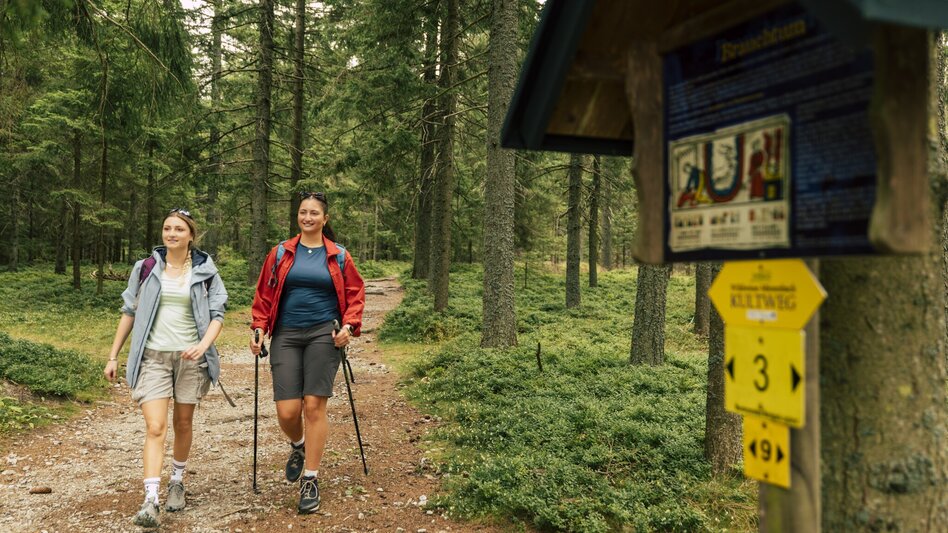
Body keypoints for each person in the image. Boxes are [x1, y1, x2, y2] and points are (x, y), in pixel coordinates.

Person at [103, 208, 228, 528]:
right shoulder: (145, 268)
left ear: (191, 235)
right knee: (155, 427)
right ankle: (150, 499)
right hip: (153, 359)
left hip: (190, 360)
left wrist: (203, 346)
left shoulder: (206, 271)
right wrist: (114, 354)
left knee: (183, 423)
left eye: (179, 229)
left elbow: (217, 314)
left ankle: (177, 480)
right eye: (167, 228)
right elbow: (129, 311)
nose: (172, 234)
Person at [249, 191, 365, 514]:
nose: (308, 217)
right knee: (287, 411)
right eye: (303, 212)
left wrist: (349, 327)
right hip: (285, 333)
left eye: (315, 213)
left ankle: (311, 478)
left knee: (314, 405)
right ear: (297, 217)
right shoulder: (281, 253)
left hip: (322, 335)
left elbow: (355, 295)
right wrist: (258, 327)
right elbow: (264, 295)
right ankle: (298, 446)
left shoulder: (339, 255)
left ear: (325, 219)